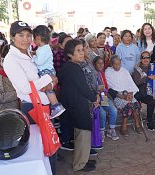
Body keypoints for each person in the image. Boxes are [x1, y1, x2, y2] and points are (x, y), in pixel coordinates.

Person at [3, 20, 58, 175]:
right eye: (21, 35)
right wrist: (49, 79)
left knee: (48, 146)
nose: (26, 39)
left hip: (43, 105)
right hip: (33, 108)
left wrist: (50, 82)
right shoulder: (11, 59)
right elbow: (25, 88)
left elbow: (41, 79)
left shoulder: (27, 53)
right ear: (12, 37)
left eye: (28, 35)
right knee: (42, 150)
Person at [58, 39, 98, 172]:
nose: (82, 53)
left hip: (73, 104)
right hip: (78, 105)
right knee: (83, 134)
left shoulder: (69, 66)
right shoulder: (74, 68)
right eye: (78, 51)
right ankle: (80, 164)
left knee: (80, 134)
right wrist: (94, 97)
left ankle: (82, 161)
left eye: (82, 50)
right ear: (70, 54)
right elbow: (84, 88)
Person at [33, 25, 65, 119]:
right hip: (46, 71)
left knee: (48, 90)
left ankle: (56, 106)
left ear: (38, 38)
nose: (33, 41)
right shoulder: (43, 48)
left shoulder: (45, 49)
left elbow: (39, 62)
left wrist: (33, 57)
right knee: (48, 90)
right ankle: (55, 106)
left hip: (45, 71)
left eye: (34, 38)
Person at [105, 55, 142, 135]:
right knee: (128, 105)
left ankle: (137, 124)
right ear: (111, 64)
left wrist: (130, 94)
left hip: (128, 93)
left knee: (135, 104)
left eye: (119, 64)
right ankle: (124, 126)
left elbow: (131, 84)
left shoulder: (124, 71)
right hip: (117, 96)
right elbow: (110, 89)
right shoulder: (108, 72)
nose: (117, 66)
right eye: (115, 64)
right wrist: (122, 96)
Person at [132, 51, 155, 131]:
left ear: (150, 58)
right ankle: (150, 120)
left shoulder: (154, 65)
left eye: (147, 57)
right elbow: (137, 81)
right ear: (141, 59)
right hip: (143, 91)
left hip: (154, 89)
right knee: (151, 102)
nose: (146, 59)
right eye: (143, 57)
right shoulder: (137, 67)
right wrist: (147, 78)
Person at [92, 56, 119, 141]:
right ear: (94, 64)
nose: (101, 65)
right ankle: (101, 131)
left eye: (102, 63)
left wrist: (104, 91)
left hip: (103, 96)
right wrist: (98, 89)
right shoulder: (92, 74)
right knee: (102, 113)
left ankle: (111, 130)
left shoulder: (102, 73)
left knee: (113, 110)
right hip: (95, 98)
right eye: (98, 63)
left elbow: (105, 88)